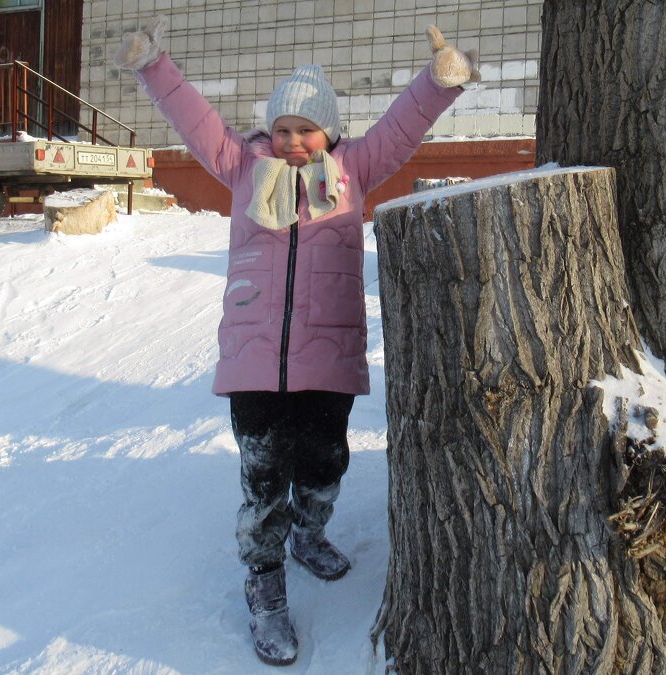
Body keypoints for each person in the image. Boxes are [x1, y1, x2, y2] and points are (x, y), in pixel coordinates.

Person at [114, 16, 478, 667]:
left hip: (327, 364)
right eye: (281, 129)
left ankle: (311, 533)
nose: (291, 141)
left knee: (324, 464)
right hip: (254, 367)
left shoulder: (353, 172)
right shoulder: (243, 169)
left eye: (304, 129)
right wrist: (154, 66)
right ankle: (265, 580)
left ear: (328, 134)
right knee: (263, 477)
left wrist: (439, 81)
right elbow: (195, 120)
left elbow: (401, 126)